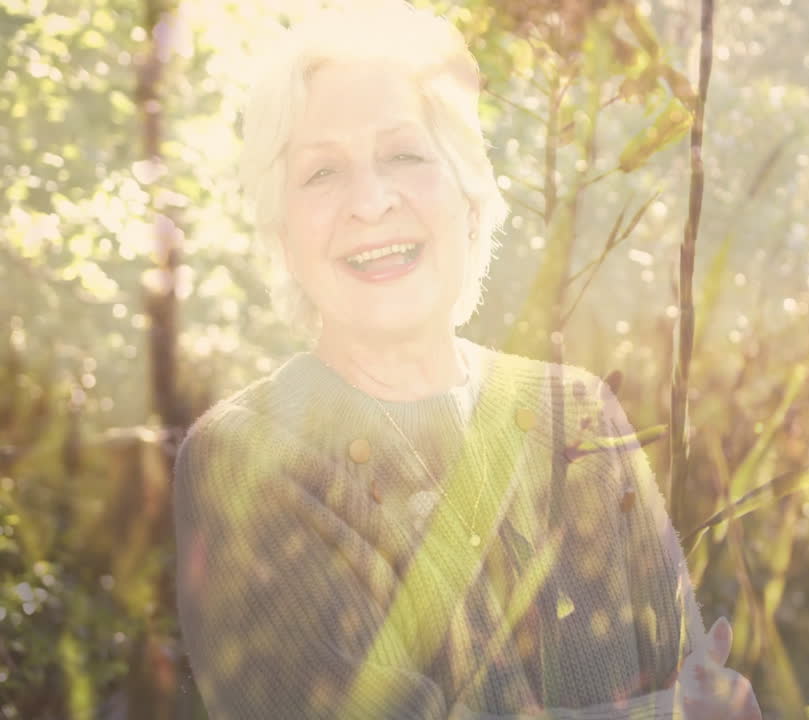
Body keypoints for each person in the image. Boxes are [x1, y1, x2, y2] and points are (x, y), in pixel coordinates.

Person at [170, 2, 762, 719]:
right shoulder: (243, 455)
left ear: (471, 196)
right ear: (281, 230)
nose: (370, 201)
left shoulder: (578, 411)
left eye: (405, 154)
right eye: (322, 172)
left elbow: (704, 684)